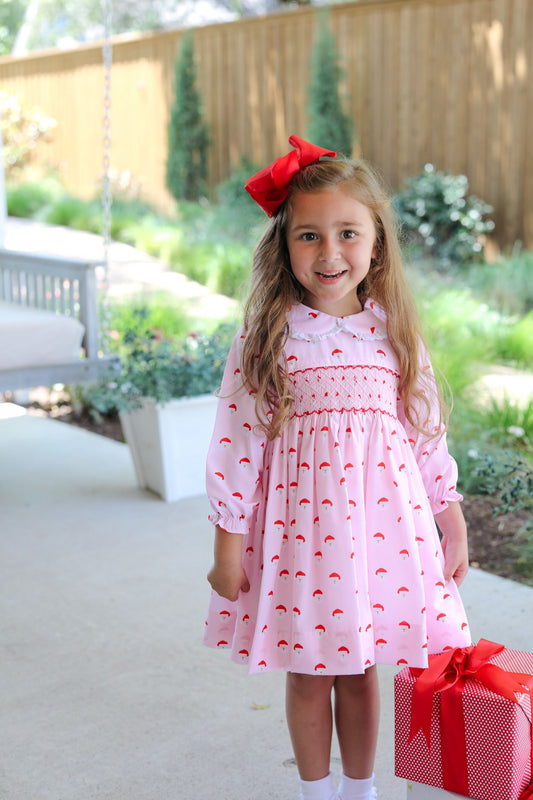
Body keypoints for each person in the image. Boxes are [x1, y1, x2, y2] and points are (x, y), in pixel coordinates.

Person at [203, 135, 471, 800]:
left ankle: (360, 791)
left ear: (375, 243)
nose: (329, 253)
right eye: (309, 236)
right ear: (284, 246)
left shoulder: (393, 333)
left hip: (380, 537)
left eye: (347, 233)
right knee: (307, 672)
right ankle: (316, 793)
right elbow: (238, 445)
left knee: (360, 670)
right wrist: (226, 549)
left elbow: (425, 433)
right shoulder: (266, 338)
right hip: (302, 540)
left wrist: (452, 522)